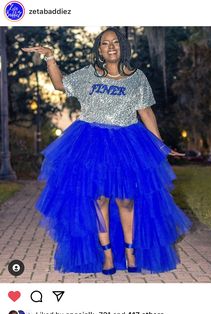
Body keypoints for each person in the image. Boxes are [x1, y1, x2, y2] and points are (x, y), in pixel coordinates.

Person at [22, 27, 191, 275]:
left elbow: (146, 112)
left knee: (126, 199)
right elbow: (59, 84)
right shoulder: (89, 75)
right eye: (105, 43)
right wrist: (49, 56)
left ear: (123, 46)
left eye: (115, 42)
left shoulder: (137, 77)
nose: (111, 46)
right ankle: (107, 255)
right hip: (91, 142)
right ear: (99, 49)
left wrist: (159, 145)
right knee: (99, 198)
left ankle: (131, 252)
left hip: (127, 142)